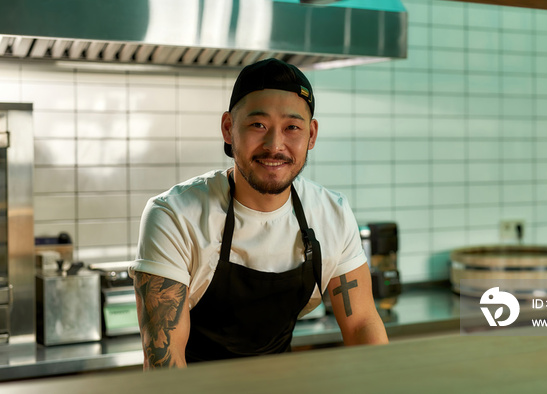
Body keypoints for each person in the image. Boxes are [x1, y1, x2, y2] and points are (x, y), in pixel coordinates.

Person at [129, 58, 388, 368]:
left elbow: (360, 324)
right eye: (258, 125)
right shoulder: (175, 215)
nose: (274, 145)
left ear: (312, 135)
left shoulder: (331, 213)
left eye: (292, 127)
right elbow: (164, 361)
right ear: (228, 129)